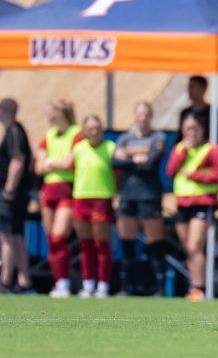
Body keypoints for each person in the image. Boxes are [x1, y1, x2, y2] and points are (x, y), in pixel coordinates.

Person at [166, 115, 218, 301]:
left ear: (202, 130)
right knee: (187, 247)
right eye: (187, 128)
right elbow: (170, 171)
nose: (190, 133)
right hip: (183, 203)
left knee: (194, 245)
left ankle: (200, 287)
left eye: (194, 128)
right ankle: (194, 287)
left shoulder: (212, 150)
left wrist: (195, 175)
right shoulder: (179, 149)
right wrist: (182, 154)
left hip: (202, 202)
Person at [111, 102, 165, 293]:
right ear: (135, 116)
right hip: (128, 194)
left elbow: (150, 164)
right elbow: (114, 162)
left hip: (149, 195)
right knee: (127, 240)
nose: (142, 118)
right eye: (139, 114)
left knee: (154, 242)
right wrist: (136, 158)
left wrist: (127, 158)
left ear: (150, 117)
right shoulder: (125, 138)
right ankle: (126, 286)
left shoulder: (158, 137)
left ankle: (159, 287)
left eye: (146, 115)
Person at [34, 99, 82, 298]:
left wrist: (50, 162)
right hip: (48, 192)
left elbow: (69, 163)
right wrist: (52, 163)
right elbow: (38, 167)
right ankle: (59, 281)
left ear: (61, 112)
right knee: (51, 241)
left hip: (66, 191)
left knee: (58, 236)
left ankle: (65, 281)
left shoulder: (76, 133)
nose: (47, 114)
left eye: (51, 110)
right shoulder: (49, 136)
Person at [69, 115, 117, 298]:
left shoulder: (110, 148)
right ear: (85, 130)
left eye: (97, 128)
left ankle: (103, 284)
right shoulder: (79, 148)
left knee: (101, 244)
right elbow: (73, 169)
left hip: (101, 198)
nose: (94, 131)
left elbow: (117, 173)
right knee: (85, 244)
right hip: (81, 198)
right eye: (90, 128)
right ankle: (88, 283)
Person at [0, 99, 34, 294]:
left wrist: (9, 189)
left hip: (12, 194)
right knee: (16, 235)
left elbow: (18, 161)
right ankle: (24, 281)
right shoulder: (15, 130)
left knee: (7, 236)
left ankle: (5, 280)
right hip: (17, 193)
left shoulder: (13, 131)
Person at [177, 75, 218, 150]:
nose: (189, 90)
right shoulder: (185, 113)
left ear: (203, 89)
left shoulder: (214, 114)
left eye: (193, 87)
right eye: (189, 87)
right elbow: (180, 138)